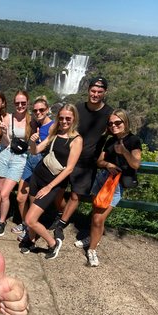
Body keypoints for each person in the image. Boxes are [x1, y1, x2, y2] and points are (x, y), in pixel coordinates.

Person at [75, 109, 141, 267]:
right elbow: (99, 161)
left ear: (125, 122)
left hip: (115, 184)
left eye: (118, 123)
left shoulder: (134, 140)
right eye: (111, 123)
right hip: (102, 180)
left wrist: (124, 151)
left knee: (98, 219)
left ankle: (92, 250)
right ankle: (92, 238)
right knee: (96, 215)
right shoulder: (110, 141)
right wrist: (108, 164)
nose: (114, 126)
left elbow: (135, 164)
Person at [52, 77, 113, 240]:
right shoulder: (78, 108)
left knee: (76, 196)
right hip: (67, 157)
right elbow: (62, 125)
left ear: (105, 93)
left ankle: (61, 223)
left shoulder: (109, 113)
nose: (95, 94)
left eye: (99, 92)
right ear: (88, 91)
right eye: (93, 91)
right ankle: (61, 214)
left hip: (88, 163)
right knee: (57, 192)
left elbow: (116, 133)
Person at [22, 104, 83, 259]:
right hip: (38, 176)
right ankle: (31, 239)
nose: (64, 121)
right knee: (31, 212)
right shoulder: (55, 132)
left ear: (74, 118)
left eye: (68, 118)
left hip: (52, 183)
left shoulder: (76, 140)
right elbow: (36, 151)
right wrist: (32, 141)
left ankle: (53, 244)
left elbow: (69, 169)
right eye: (61, 118)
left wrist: (49, 187)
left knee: (30, 220)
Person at [13, 96, 57, 240]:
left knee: (33, 200)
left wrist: (35, 143)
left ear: (48, 110)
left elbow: (41, 148)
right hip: (29, 161)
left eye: (41, 110)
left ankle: (31, 231)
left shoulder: (52, 126)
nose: (38, 112)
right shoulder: (33, 123)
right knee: (20, 198)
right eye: (36, 110)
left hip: (40, 163)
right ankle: (26, 223)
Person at [0, 91, 32, 237]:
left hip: (20, 159)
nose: (20, 106)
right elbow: (7, 143)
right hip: (6, 154)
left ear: (27, 103)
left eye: (23, 103)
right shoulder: (8, 117)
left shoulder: (31, 121)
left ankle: (2, 221)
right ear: (13, 104)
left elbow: (31, 144)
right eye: (17, 103)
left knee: (5, 193)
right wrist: (4, 132)